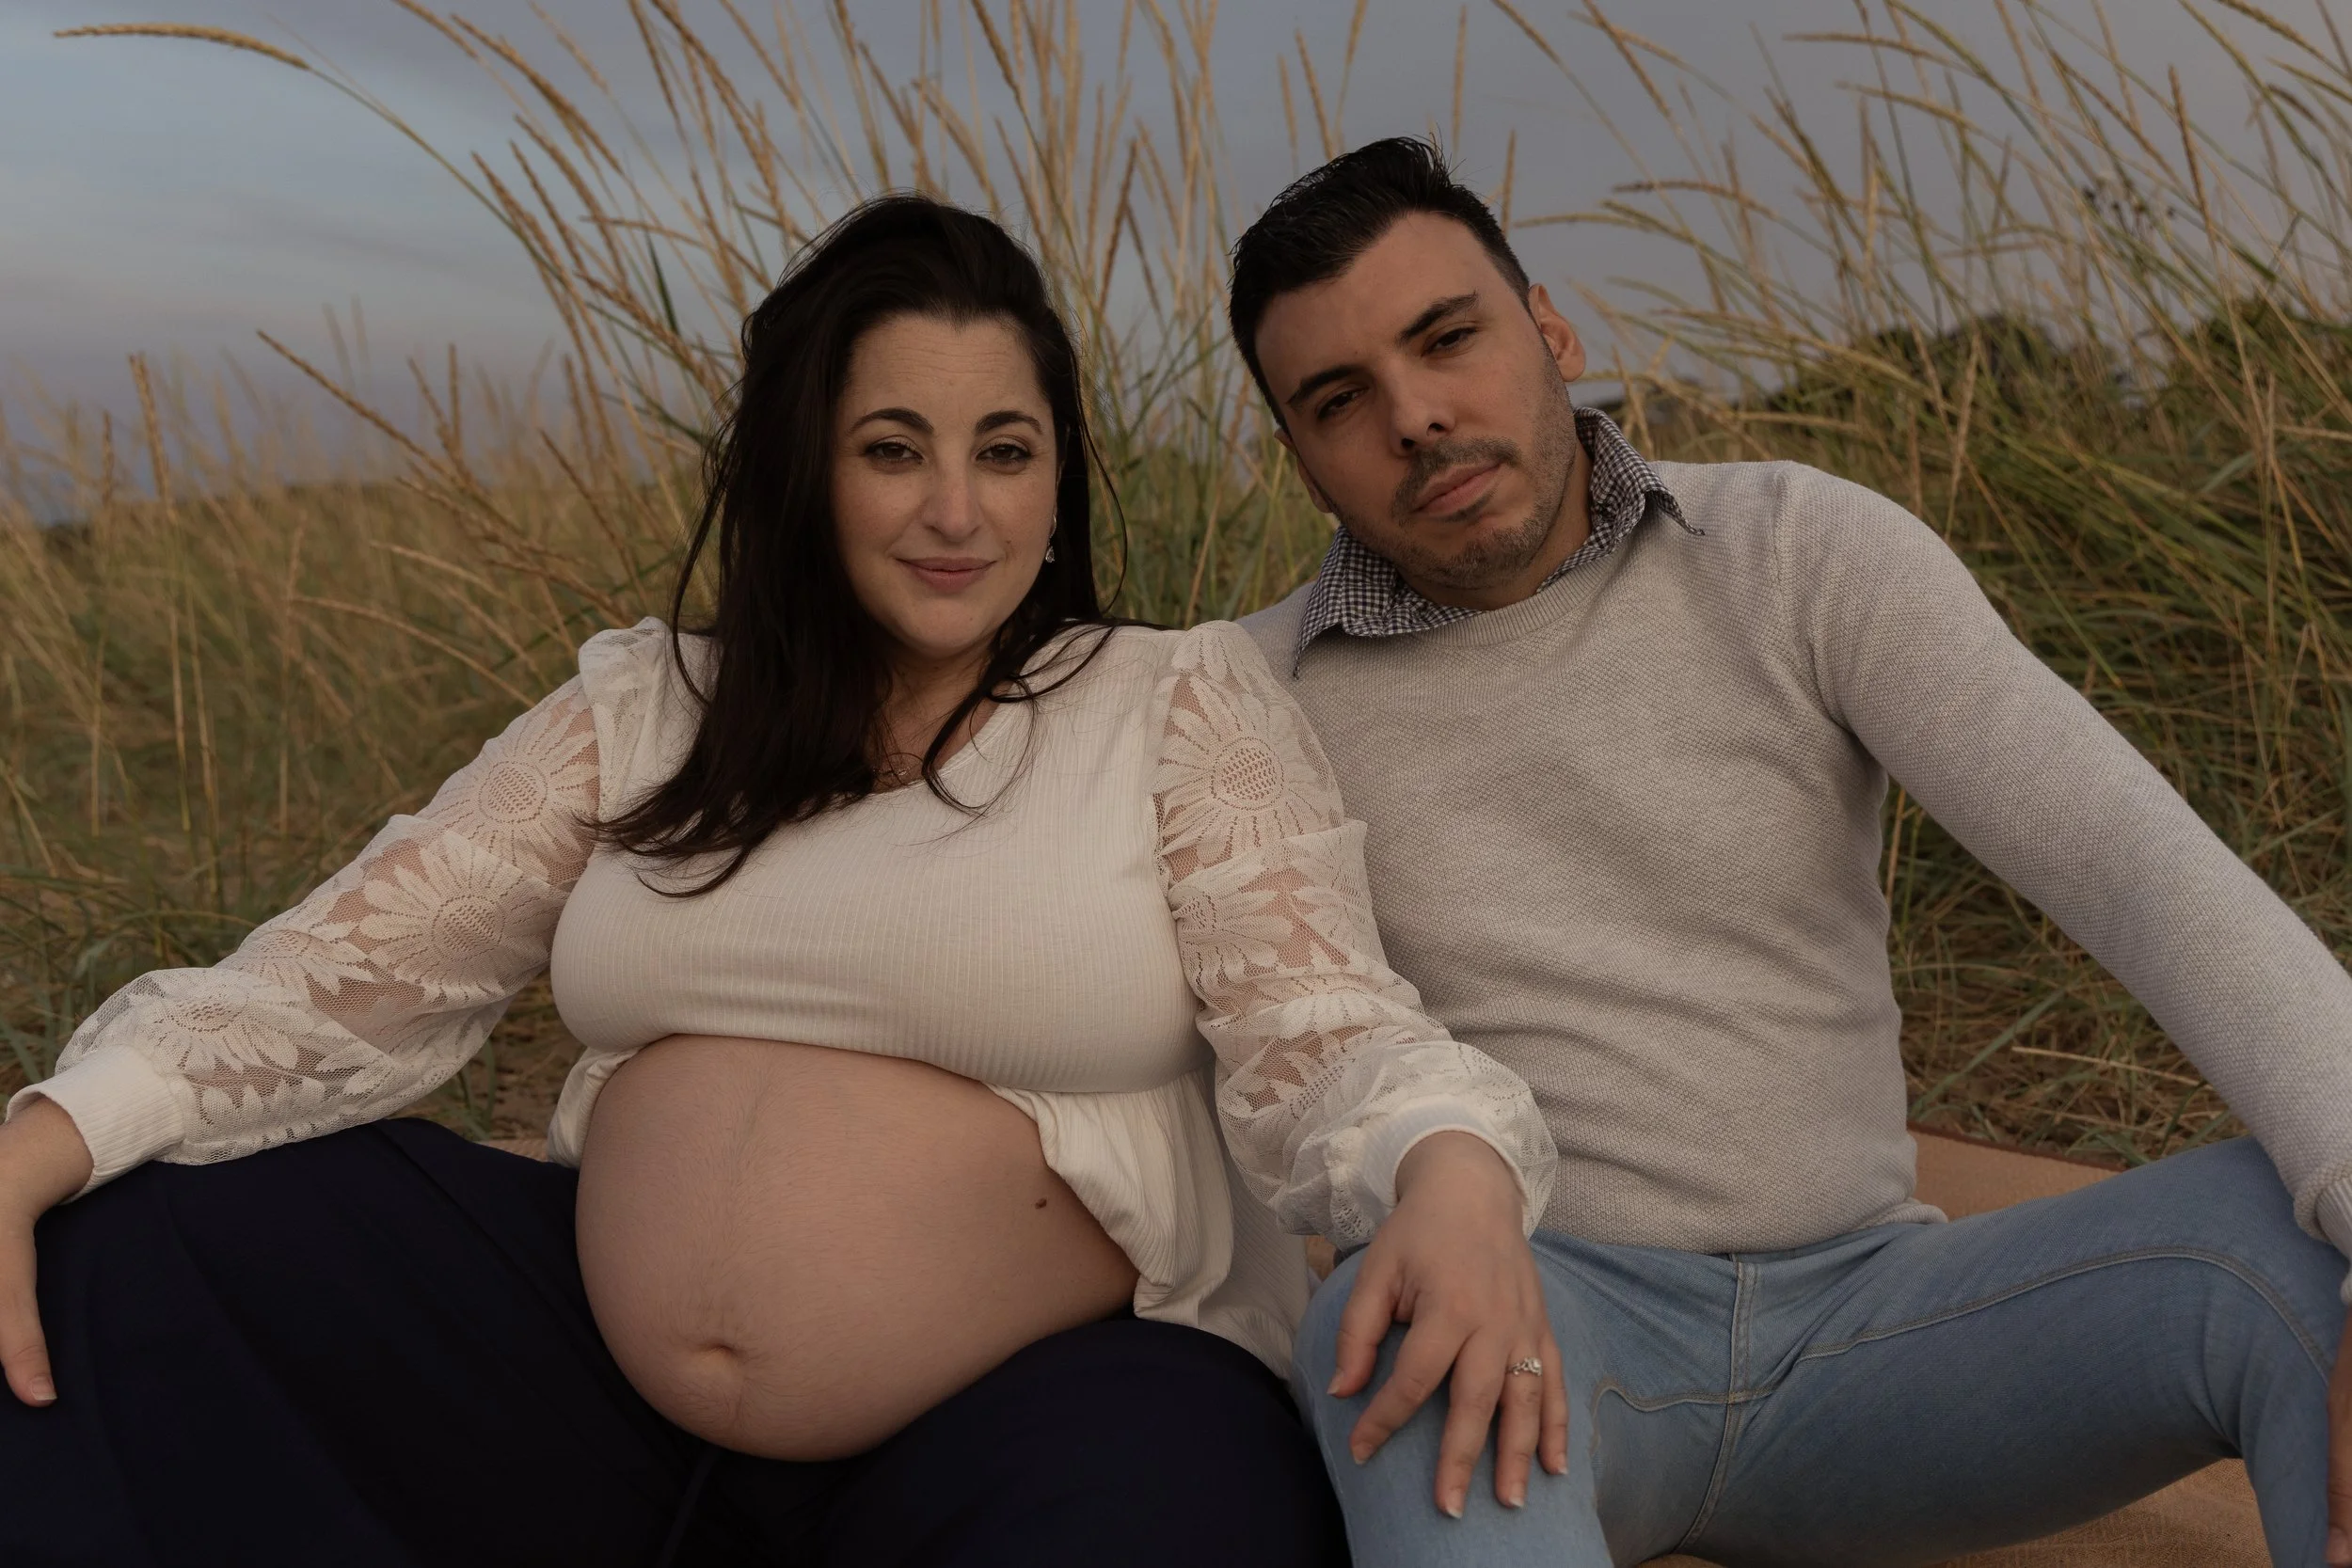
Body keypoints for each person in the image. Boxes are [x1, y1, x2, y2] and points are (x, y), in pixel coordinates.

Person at [0, 194, 1560, 1568]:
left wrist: (1445, 1159)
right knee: (131, 1244)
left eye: (1005, 453)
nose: (959, 512)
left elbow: (1319, 1020)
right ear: (801, 468)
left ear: (1057, 478)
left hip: (1044, 1402)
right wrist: (49, 1132)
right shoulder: (649, 704)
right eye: (895, 450)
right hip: (596, 1398)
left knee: (1179, 1502)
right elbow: (342, 972)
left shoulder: (1169, 701)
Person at [1227, 136, 2352, 1566]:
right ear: (1300, 453)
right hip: (1547, 1333)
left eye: (1449, 338)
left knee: (2299, 1233)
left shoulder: (1795, 551)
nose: (1417, 416)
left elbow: (2136, 862)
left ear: (1550, 327)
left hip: (1884, 1329)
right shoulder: (1255, 701)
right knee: (1383, 1324)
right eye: (1341, 401)